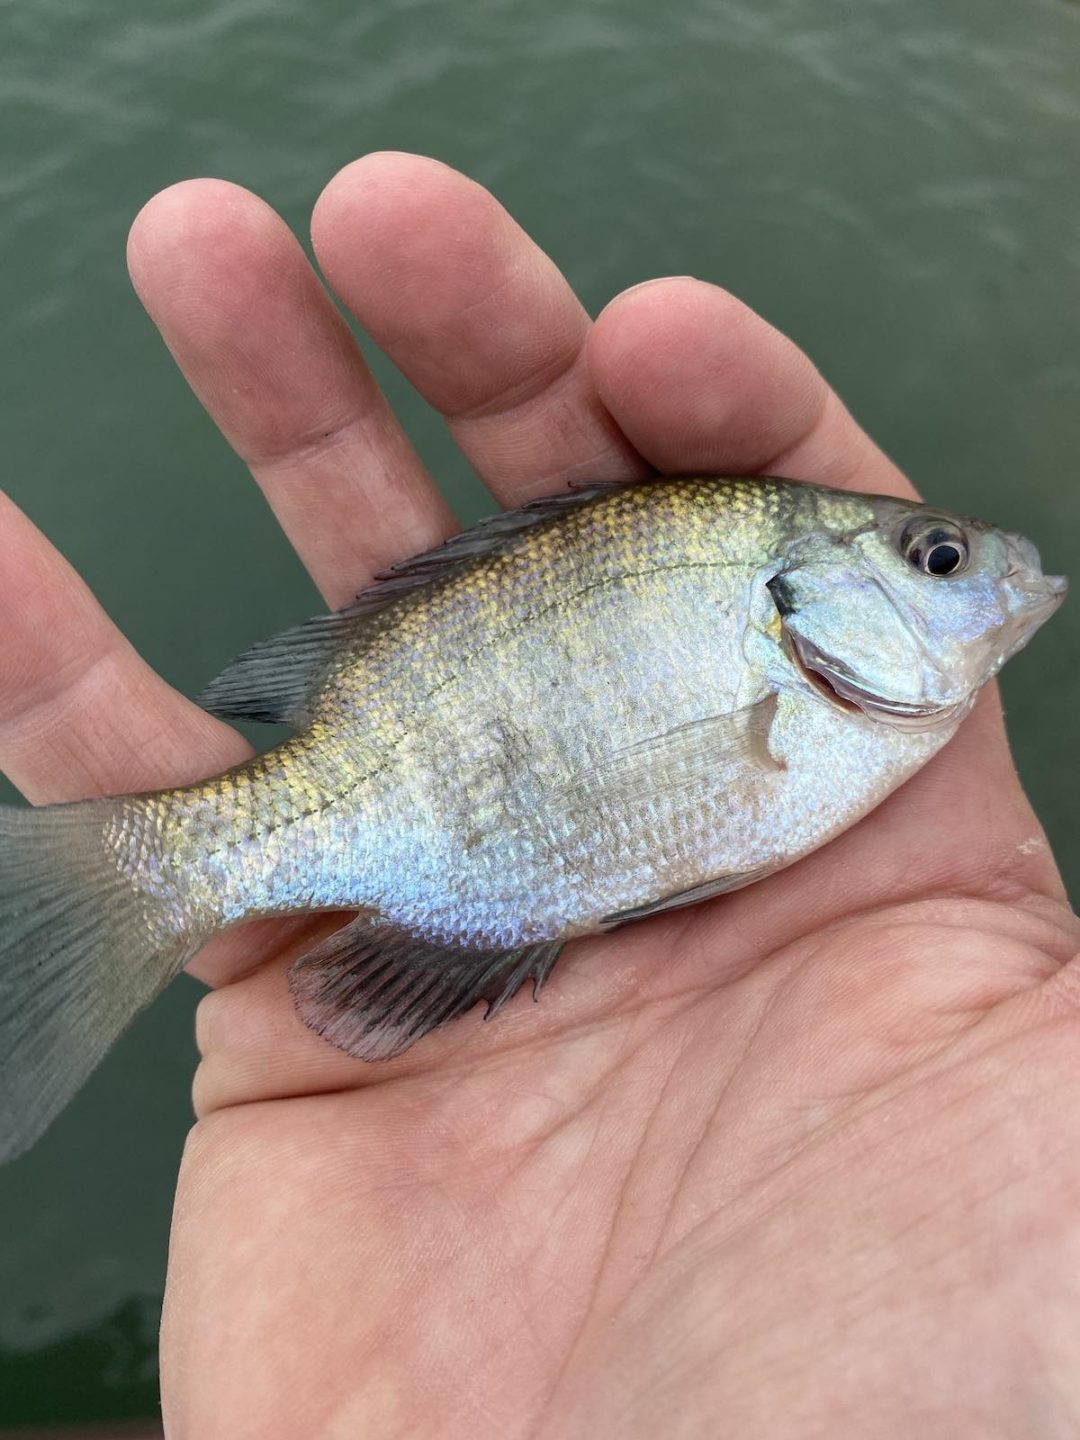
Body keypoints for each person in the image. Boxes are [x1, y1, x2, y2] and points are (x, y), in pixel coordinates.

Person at [5, 152, 1077, 1437]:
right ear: (803, 607)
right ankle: (139, 877)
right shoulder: (831, 694)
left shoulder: (856, 712)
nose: (987, 572)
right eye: (939, 560)